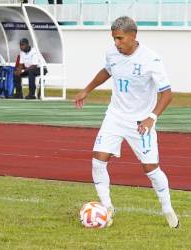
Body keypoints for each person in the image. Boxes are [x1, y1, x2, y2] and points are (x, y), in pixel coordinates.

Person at [75, 16, 179, 228]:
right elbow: (107, 71)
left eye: (120, 38)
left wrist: (151, 117)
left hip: (141, 121)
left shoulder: (151, 59)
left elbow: (167, 94)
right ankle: (107, 208)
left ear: (133, 36)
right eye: (114, 38)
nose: (116, 43)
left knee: (151, 169)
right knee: (98, 159)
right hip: (115, 115)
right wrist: (87, 89)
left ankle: (168, 210)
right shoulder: (112, 53)